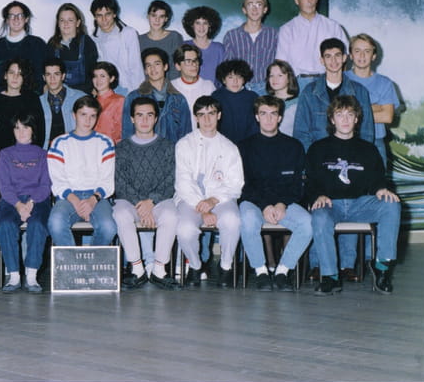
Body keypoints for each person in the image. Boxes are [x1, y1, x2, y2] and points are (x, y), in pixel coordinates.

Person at [294, 38, 375, 282]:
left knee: (349, 202)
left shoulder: (359, 92)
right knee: (320, 210)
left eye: (338, 55)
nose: (333, 61)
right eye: (328, 56)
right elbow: (301, 132)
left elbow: (367, 133)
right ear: (321, 60)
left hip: (351, 161)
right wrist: (309, 166)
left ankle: (347, 265)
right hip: (320, 165)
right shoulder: (310, 92)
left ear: (345, 58)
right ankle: (318, 264)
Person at [307, 95, 401, 295]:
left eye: (350, 114)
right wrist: (318, 195)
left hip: (359, 205)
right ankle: (330, 277)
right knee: (319, 216)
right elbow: (310, 181)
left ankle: (382, 267)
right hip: (331, 205)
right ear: (332, 119)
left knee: (391, 204)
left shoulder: (368, 149)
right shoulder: (318, 148)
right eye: (339, 114)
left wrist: (381, 189)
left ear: (357, 119)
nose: (345, 119)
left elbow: (377, 178)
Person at [238, 96, 311, 292]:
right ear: (257, 117)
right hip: (254, 202)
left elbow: (297, 185)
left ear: (280, 117)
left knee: (307, 223)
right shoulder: (244, 147)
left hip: (283, 204)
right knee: (247, 219)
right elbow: (243, 185)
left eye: (273, 114)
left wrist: (282, 204)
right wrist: (264, 205)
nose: (268, 119)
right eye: (263, 114)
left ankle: (282, 271)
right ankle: (261, 271)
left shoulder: (294, 146)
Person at [174, 95, 244, 288]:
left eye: (211, 113)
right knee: (185, 228)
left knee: (232, 220)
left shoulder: (229, 147)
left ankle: (226, 266)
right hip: (190, 199)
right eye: (201, 114)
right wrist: (202, 207)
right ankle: (195, 266)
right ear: (195, 117)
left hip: (220, 199)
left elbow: (235, 184)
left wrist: (213, 201)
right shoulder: (184, 144)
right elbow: (183, 181)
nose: (206, 119)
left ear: (218, 115)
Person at [114, 97, 179, 290]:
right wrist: (141, 206)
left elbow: (171, 179)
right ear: (132, 119)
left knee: (171, 215)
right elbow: (120, 182)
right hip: (131, 201)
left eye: (149, 115)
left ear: (156, 118)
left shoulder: (168, 146)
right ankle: (137, 269)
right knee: (120, 214)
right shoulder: (122, 148)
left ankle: (159, 269)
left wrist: (151, 202)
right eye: (139, 115)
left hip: (159, 200)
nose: (144, 120)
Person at [47, 96, 116, 247]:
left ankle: (92, 260)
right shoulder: (59, 143)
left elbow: (107, 180)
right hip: (68, 197)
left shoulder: (105, 143)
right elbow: (57, 180)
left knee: (108, 227)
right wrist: (76, 201)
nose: (88, 120)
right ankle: (72, 262)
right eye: (83, 114)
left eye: (92, 116)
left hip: (97, 197)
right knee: (56, 223)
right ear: (74, 115)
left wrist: (92, 200)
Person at [0, 112, 52, 293]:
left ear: (33, 130)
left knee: (37, 225)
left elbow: (45, 185)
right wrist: (19, 205)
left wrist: (31, 203)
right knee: (5, 225)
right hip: (11, 201)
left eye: (25, 127)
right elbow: (4, 186)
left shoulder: (43, 155)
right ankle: (13, 276)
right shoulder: (5, 154)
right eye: (17, 128)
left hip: (38, 200)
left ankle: (31, 276)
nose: (21, 132)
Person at [276, 0, 348, 88]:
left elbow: (344, 59)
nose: (309, 0)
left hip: (327, 82)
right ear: (296, 0)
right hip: (297, 84)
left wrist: (339, 85)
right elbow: (281, 64)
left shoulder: (333, 27)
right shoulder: (287, 30)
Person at [345, 33, 400, 167]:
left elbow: (387, 116)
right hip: (346, 141)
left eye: (367, 51)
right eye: (357, 51)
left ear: (374, 56)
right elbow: (335, 113)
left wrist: (354, 111)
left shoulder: (385, 83)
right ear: (351, 55)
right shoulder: (341, 80)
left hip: (376, 142)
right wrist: (373, 107)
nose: (362, 55)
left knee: (378, 179)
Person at [122, 47, 192, 143]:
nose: (153, 69)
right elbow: (127, 134)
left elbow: (186, 135)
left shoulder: (179, 99)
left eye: (157, 64)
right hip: (143, 150)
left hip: (171, 151)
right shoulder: (133, 97)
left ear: (165, 66)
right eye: (148, 65)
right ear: (145, 70)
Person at [0, 1, 46, 96]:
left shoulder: (37, 44)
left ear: (26, 19)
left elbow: (44, 78)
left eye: (20, 15)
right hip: (0, 100)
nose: (16, 19)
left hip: (30, 100)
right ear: (7, 20)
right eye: (11, 16)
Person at [222, 0, 278, 93]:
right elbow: (228, 67)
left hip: (266, 89)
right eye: (250, 4)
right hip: (240, 89)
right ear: (244, 10)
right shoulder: (232, 36)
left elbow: (279, 64)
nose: (254, 8)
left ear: (265, 9)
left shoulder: (274, 35)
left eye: (259, 4)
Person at [89, 0, 143, 95]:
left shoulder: (128, 33)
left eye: (108, 14)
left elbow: (136, 68)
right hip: (105, 91)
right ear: (95, 17)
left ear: (114, 14)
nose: (104, 19)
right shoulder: (93, 39)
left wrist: (136, 95)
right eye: (99, 15)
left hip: (128, 89)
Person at [0, 57, 45, 150]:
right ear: (5, 75)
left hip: (26, 153)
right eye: (11, 72)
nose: (15, 77)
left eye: (20, 74)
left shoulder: (32, 99)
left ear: (24, 78)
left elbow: (40, 131)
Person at [45, 2, 99, 94]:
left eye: (70, 20)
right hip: (59, 94)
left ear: (78, 23)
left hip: (83, 93)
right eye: (62, 20)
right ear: (58, 23)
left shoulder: (87, 42)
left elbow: (93, 71)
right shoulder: (52, 44)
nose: (66, 23)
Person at [39, 57, 86, 148]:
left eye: (56, 74)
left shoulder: (80, 98)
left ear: (63, 76)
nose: (52, 78)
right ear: (44, 77)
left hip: (74, 150)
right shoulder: (38, 102)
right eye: (48, 74)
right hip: (46, 152)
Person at [211, 59, 259, 144]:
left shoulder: (252, 97)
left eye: (239, 77)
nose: (235, 81)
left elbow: (255, 126)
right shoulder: (216, 96)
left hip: (248, 144)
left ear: (244, 79)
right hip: (222, 145)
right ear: (223, 80)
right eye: (230, 77)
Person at [171, 44, 216, 130]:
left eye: (196, 60)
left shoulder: (208, 86)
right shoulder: (171, 87)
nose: (194, 64)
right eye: (188, 61)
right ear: (178, 66)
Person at [138, 0, 184, 81]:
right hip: (146, 86)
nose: (157, 20)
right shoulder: (139, 40)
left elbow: (177, 68)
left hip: (170, 85)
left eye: (161, 16)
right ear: (148, 16)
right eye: (154, 15)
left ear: (166, 19)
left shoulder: (174, 37)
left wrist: (171, 87)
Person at [181, 6, 225, 84]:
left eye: (205, 23)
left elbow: (224, 76)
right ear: (192, 25)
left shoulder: (219, 48)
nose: (201, 27)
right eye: (197, 23)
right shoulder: (184, 46)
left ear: (210, 25)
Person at [91, 61, 125, 143]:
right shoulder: (91, 102)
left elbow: (121, 130)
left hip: (111, 146)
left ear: (111, 78)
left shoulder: (119, 100)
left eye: (102, 76)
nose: (98, 80)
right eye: (95, 76)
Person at [265, 59, 300, 137]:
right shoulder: (264, 103)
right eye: (271, 76)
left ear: (289, 79)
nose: (275, 79)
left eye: (280, 75)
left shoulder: (299, 104)